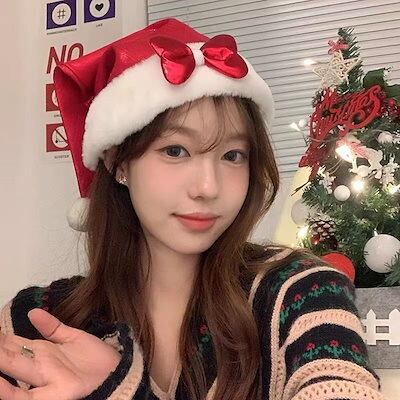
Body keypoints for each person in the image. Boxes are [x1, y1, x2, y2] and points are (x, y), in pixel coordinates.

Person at [0, 18, 385, 400]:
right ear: (118, 163)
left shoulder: (302, 293)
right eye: (175, 151)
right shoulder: (34, 319)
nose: (208, 188)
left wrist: (117, 391)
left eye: (232, 155)